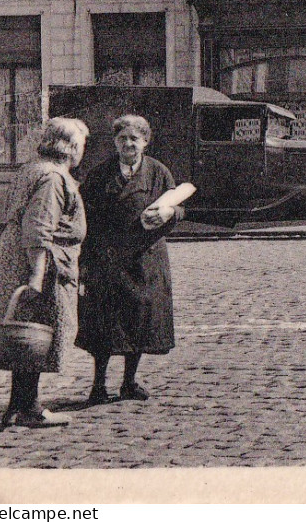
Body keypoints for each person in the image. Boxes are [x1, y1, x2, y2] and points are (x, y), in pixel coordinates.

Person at [0, 117, 90, 429]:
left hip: (17, 258)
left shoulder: (32, 168)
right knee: (35, 334)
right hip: (36, 263)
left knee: (25, 337)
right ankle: (29, 408)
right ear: (72, 148)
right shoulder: (53, 178)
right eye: (81, 145)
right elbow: (38, 228)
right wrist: (36, 278)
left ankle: (18, 405)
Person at [76, 114, 185, 405]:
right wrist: (85, 261)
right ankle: (98, 385)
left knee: (138, 321)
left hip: (144, 259)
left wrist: (169, 214)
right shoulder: (100, 175)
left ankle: (128, 382)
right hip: (107, 260)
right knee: (104, 325)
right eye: (122, 138)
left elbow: (178, 207)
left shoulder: (159, 173)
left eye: (134, 139)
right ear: (115, 142)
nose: (128, 144)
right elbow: (84, 218)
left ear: (145, 142)